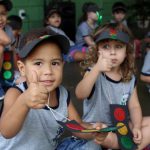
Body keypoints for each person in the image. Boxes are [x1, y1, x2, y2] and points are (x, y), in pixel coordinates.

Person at [0, 28, 108, 150]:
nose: (48, 71)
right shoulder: (16, 93)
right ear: (22, 68)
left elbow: (76, 127)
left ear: (62, 64)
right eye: (38, 63)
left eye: (55, 63)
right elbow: (6, 131)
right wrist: (24, 102)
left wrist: (94, 130)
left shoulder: (62, 95)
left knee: (92, 146)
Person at [75, 23, 150, 149]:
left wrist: (136, 126)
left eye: (119, 46)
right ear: (97, 50)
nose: (113, 52)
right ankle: (131, 147)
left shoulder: (129, 77)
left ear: (127, 51)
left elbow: (134, 106)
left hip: (121, 126)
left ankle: (127, 146)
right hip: (98, 129)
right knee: (102, 133)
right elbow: (80, 94)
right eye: (106, 47)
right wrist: (97, 69)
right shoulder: (93, 72)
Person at [7, 15, 26, 84]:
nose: (9, 32)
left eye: (12, 30)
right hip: (8, 70)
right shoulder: (4, 40)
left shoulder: (23, 39)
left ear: (19, 31)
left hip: (20, 68)